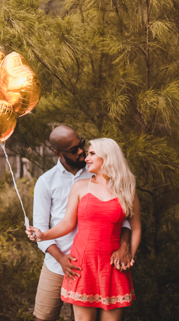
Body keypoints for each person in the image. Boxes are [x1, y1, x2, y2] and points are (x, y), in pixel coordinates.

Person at [31, 128, 132, 321]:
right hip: (57, 263)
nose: (81, 152)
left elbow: (121, 215)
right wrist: (61, 259)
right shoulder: (46, 182)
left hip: (96, 263)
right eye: (73, 149)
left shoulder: (97, 170)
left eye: (81, 145)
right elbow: (42, 228)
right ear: (58, 153)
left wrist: (125, 245)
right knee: (43, 317)